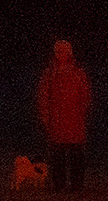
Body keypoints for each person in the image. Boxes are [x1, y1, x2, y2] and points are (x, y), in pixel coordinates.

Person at [36, 40, 91, 192]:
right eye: (58, 52)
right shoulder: (49, 73)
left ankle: (77, 185)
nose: (61, 55)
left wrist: (82, 113)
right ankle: (59, 184)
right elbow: (43, 96)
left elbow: (85, 95)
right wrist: (46, 117)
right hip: (56, 119)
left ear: (70, 53)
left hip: (74, 119)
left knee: (76, 154)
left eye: (64, 52)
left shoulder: (78, 72)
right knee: (57, 154)